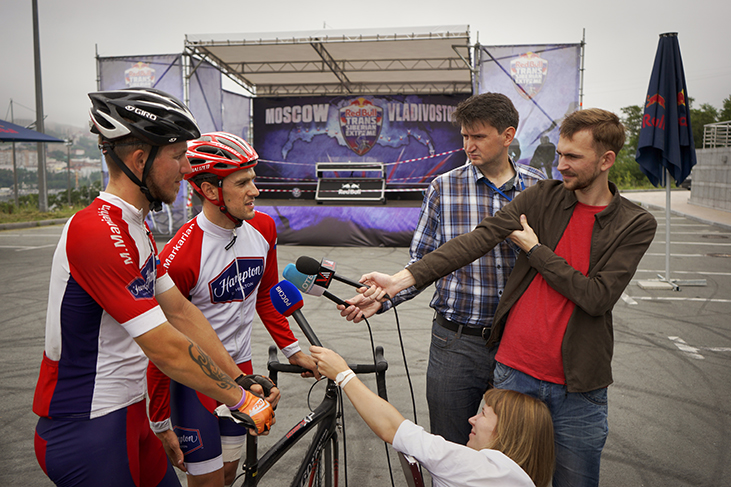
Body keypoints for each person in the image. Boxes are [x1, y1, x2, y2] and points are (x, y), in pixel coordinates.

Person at [354, 108, 657, 487]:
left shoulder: (635, 223)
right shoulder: (544, 196)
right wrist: (399, 281)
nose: (560, 165)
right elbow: (478, 238)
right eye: (560, 154)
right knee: (495, 480)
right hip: (515, 373)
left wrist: (536, 250)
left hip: (578, 386)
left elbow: (596, 297)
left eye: (573, 157)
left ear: (606, 160)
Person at [33, 88, 276, 487]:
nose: (186, 169)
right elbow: (163, 344)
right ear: (140, 159)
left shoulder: (136, 228)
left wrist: (239, 379)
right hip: (86, 426)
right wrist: (240, 399)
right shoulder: (95, 231)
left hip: (130, 415)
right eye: (178, 156)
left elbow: (181, 312)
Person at [339, 92, 545, 445]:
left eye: (478, 136)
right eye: (464, 136)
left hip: (519, 343)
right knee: (449, 451)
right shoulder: (443, 188)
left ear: (508, 136)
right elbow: (423, 263)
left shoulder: (539, 187)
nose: (469, 145)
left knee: (516, 452)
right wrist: (384, 298)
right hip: (455, 343)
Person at [147, 131, 319, 487]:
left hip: (241, 369)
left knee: (228, 474)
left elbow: (268, 293)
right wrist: (160, 421)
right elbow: (160, 346)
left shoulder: (264, 227)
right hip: (193, 380)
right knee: (207, 482)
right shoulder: (179, 257)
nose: (255, 191)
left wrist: (293, 350)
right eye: (242, 182)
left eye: (253, 179)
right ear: (210, 191)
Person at [310, 346, 555, 487]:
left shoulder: (478, 468)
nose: (472, 419)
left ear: (508, 430)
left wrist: (342, 374)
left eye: (483, 414)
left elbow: (391, 428)